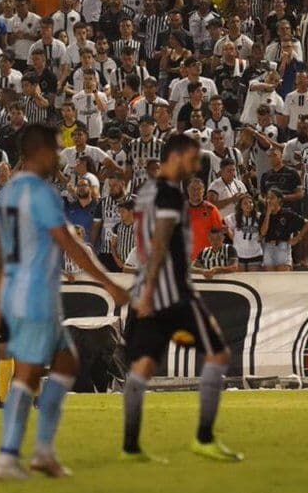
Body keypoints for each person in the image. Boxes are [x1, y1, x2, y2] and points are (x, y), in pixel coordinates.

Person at [0, 124, 127, 479]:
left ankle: (40, 451)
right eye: (53, 149)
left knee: (61, 366)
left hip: (22, 292)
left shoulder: (10, 192)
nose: (58, 156)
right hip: (34, 296)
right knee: (33, 373)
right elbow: (72, 246)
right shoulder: (40, 194)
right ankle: (9, 456)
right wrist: (109, 283)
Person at [122, 134, 242, 463]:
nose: (194, 165)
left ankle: (130, 446)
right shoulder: (170, 194)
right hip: (172, 291)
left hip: (151, 287)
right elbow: (160, 241)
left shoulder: (147, 192)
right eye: (189, 158)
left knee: (143, 366)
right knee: (218, 354)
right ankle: (203, 438)